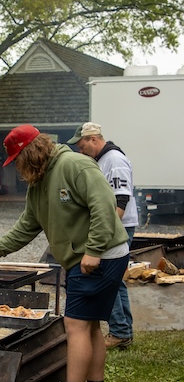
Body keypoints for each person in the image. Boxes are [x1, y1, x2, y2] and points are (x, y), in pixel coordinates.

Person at [0, 124, 129, 382]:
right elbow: (27, 225)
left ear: (31, 153)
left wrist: (94, 250)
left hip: (99, 257)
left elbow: (104, 204)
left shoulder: (75, 164)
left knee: (74, 325)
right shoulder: (39, 182)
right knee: (91, 327)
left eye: (18, 161)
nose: (18, 169)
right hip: (87, 259)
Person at [67, 122, 138, 350]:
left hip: (118, 226)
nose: (81, 151)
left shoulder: (114, 160)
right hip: (113, 227)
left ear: (94, 139)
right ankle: (123, 330)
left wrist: (103, 231)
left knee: (108, 280)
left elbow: (121, 201)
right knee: (116, 281)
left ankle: (119, 332)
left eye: (82, 146)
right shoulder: (101, 160)